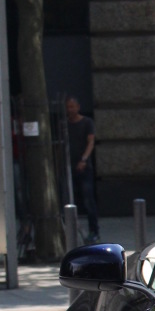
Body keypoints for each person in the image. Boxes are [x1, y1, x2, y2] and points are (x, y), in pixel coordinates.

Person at [65, 97, 98, 242]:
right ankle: (70, 231)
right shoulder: (64, 124)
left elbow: (91, 142)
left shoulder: (87, 122)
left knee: (88, 199)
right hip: (68, 167)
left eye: (73, 106)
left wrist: (84, 159)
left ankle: (94, 231)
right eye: (68, 107)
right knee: (68, 201)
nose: (70, 110)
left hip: (84, 168)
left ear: (78, 107)